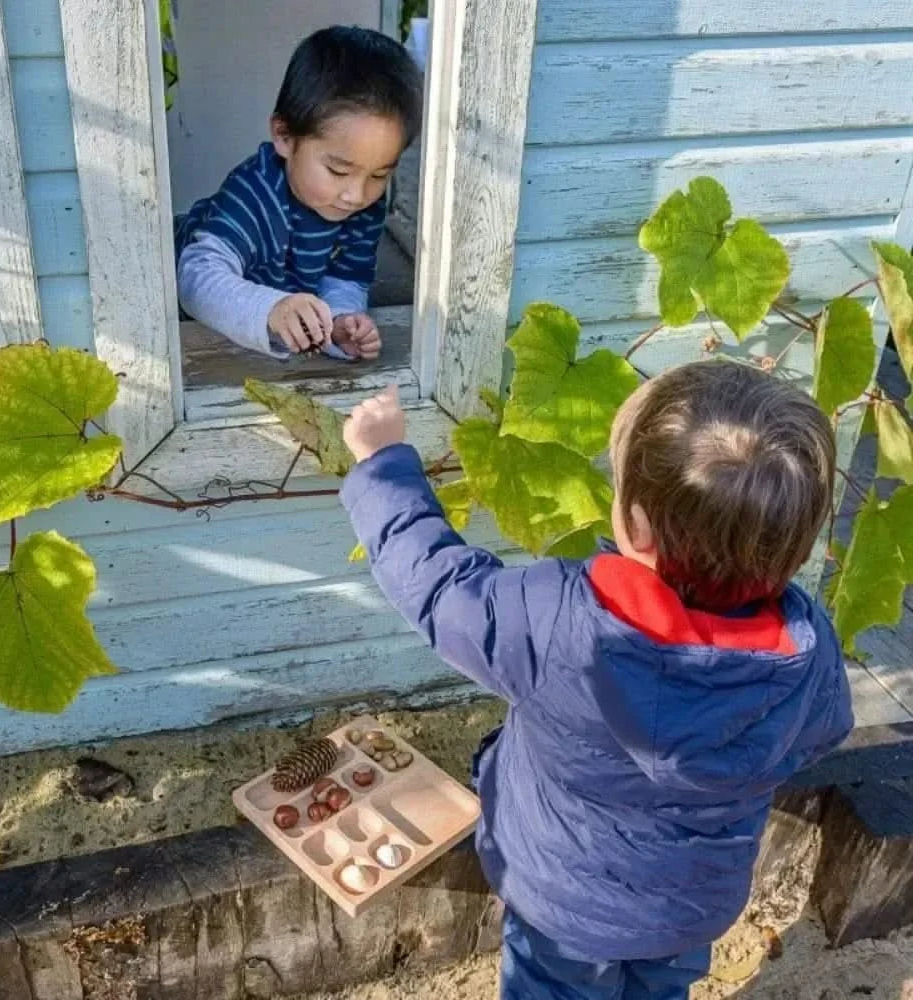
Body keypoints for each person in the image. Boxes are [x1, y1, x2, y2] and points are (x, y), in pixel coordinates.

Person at [339, 362, 853, 999]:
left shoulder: (557, 620)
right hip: (691, 906)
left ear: (634, 523)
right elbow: (823, 733)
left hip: (564, 904)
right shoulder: (808, 651)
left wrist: (383, 463)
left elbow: (443, 590)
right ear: (795, 550)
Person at [174, 26, 422, 361]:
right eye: (338, 170)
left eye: (380, 174)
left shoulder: (366, 202)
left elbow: (345, 279)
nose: (356, 194)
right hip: (180, 298)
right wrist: (271, 309)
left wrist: (339, 322)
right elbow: (196, 278)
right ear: (285, 136)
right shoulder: (255, 192)